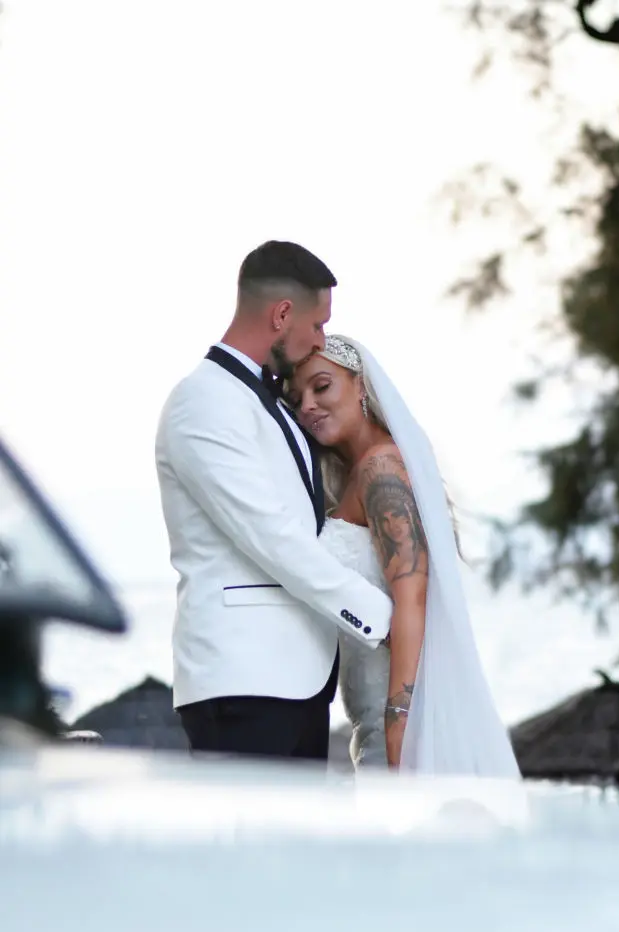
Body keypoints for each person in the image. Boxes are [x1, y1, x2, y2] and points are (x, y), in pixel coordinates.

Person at [155, 242, 392, 762]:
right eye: (318, 324)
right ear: (282, 314)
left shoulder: (273, 403)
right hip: (243, 682)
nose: (321, 339)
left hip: (297, 682)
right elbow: (271, 536)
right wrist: (382, 616)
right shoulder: (203, 401)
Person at [287, 334, 520, 776]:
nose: (308, 406)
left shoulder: (381, 469)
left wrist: (399, 720)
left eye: (322, 386)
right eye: (297, 399)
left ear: (360, 385)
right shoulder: (356, 474)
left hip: (397, 719)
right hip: (369, 714)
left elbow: (412, 595)